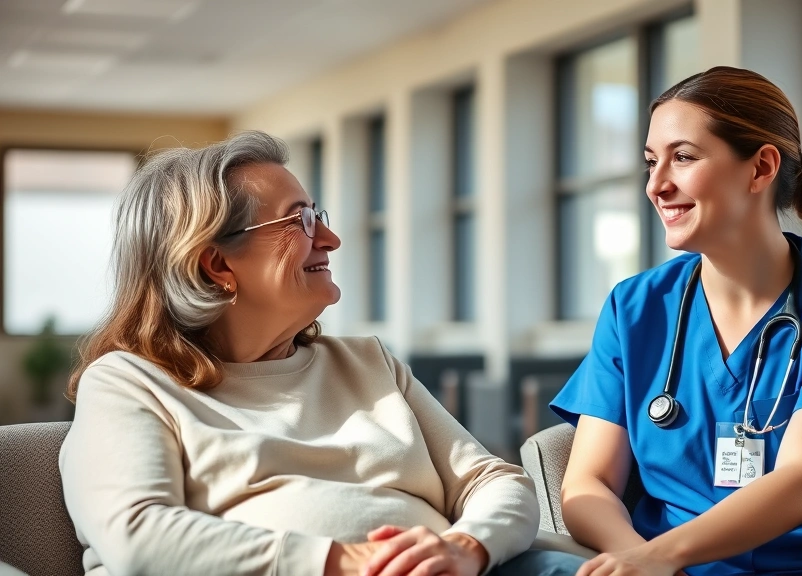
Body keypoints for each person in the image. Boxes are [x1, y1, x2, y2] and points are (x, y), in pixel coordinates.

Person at [60, 131, 584, 576]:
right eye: (300, 221)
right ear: (216, 266)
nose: (330, 239)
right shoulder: (128, 382)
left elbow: (493, 481)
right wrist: (350, 562)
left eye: (319, 215)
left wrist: (466, 546)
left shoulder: (367, 362)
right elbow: (137, 533)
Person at [550, 67, 802, 576]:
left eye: (683, 157)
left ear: (760, 168)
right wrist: (635, 559)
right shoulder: (634, 308)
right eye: (650, 162)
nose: (657, 185)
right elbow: (587, 483)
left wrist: (658, 555)